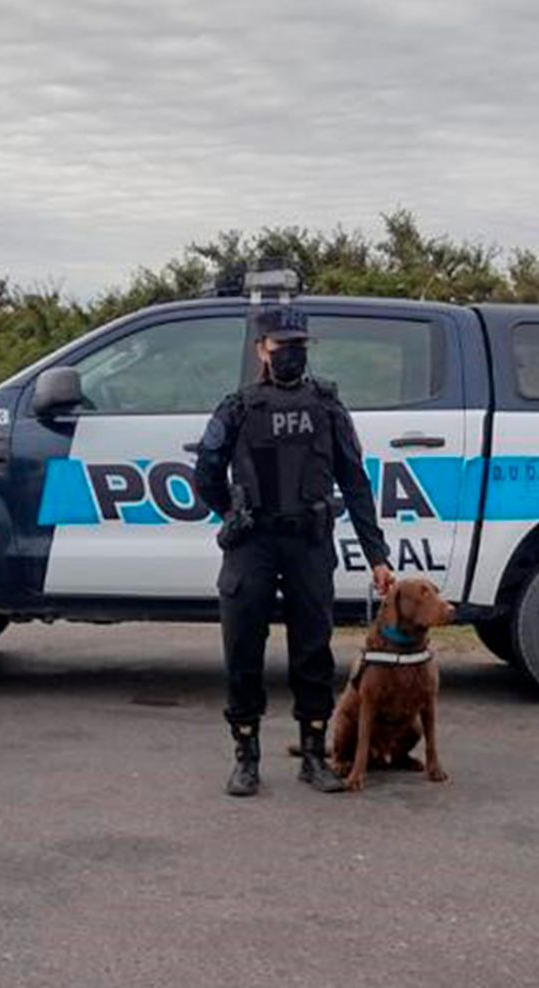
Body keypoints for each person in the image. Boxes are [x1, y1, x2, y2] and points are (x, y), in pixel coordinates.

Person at [193, 305, 396, 797]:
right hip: (253, 541)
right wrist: (231, 513)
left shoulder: (326, 405)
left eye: (298, 347)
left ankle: (313, 755)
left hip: (308, 539)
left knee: (312, 649)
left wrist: (377, 555)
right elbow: (205, 472)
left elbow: (354, 481)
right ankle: (247, 756)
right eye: (281, 346)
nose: (290, 355)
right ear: (261, 349)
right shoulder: (238, 407)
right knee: (243, 647)